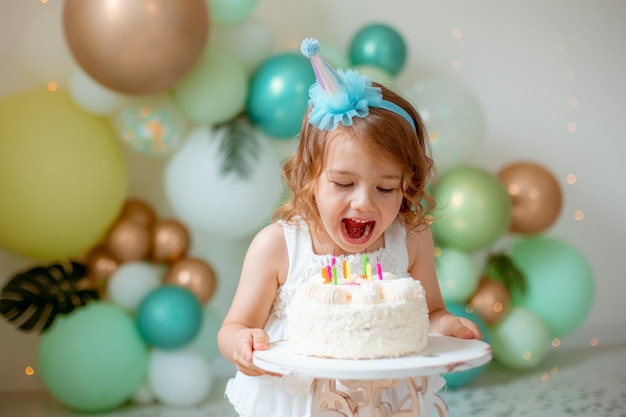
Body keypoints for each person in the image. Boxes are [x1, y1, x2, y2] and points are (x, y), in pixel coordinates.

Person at [218, 38, 482, 417]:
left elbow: (432, 313)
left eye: (385, 187)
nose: (363, 202)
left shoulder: (410, 239)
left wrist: (449, 325)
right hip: (298, 400)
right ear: (310, 176)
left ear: (408, 184)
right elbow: (233, 327)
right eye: (343, 183)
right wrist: (242, 343)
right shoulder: (278, 246)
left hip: (387, 398)